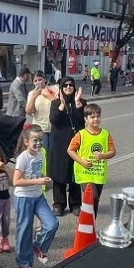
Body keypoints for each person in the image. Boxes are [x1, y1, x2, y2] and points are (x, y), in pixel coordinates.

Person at [12, 125, 58, 268]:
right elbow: (16, 181)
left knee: (52, 223)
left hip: (38, 196)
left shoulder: (40, 155)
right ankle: (24, 264)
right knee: (24, 232)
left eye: (41, 140)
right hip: (23, 198)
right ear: (26, 141)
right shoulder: (23, 158)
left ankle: (38, 246)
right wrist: (39, 180)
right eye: (35, 140)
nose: (39, 143)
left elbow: (35, 173)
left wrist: (44, 177)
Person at [67, 104, 116, 216]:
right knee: (92, 196)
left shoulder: (105, 134)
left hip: (98, 173)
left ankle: (91, 223)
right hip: (84, 173)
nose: (96, 119)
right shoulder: (81, 134)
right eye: (92, 117)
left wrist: (103, 155)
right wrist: (82, 162)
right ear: (86, 119)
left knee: (96, 199)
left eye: (98, 116)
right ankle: (84, 219)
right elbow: (70, 150)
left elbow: (112, 151)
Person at [49, 78, 86, 215]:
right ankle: (59, 204)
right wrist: (62, 106)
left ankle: (75, 204)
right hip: (59, 144)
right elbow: (54, 121)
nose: (68, 87)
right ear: (61, 88)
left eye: (71, 85)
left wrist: (77, 104)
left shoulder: (81, 103)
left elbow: (81, 121)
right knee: (59, 175)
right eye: (65, 85)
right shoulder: (55, 103)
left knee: (74, 174)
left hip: (75, 144)